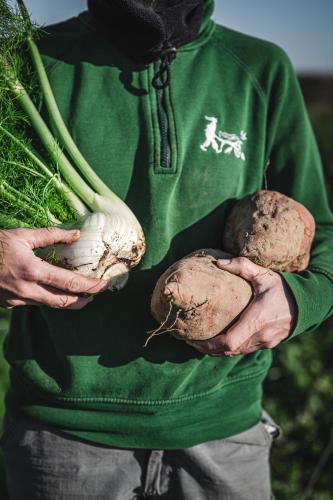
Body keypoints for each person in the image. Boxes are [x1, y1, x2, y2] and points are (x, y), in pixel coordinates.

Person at [1, 1, 333, 498]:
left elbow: (321, 230)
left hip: (225, 433)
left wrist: (298, 301)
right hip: (63, 440)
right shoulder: (28, 62)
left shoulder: (260, 68)